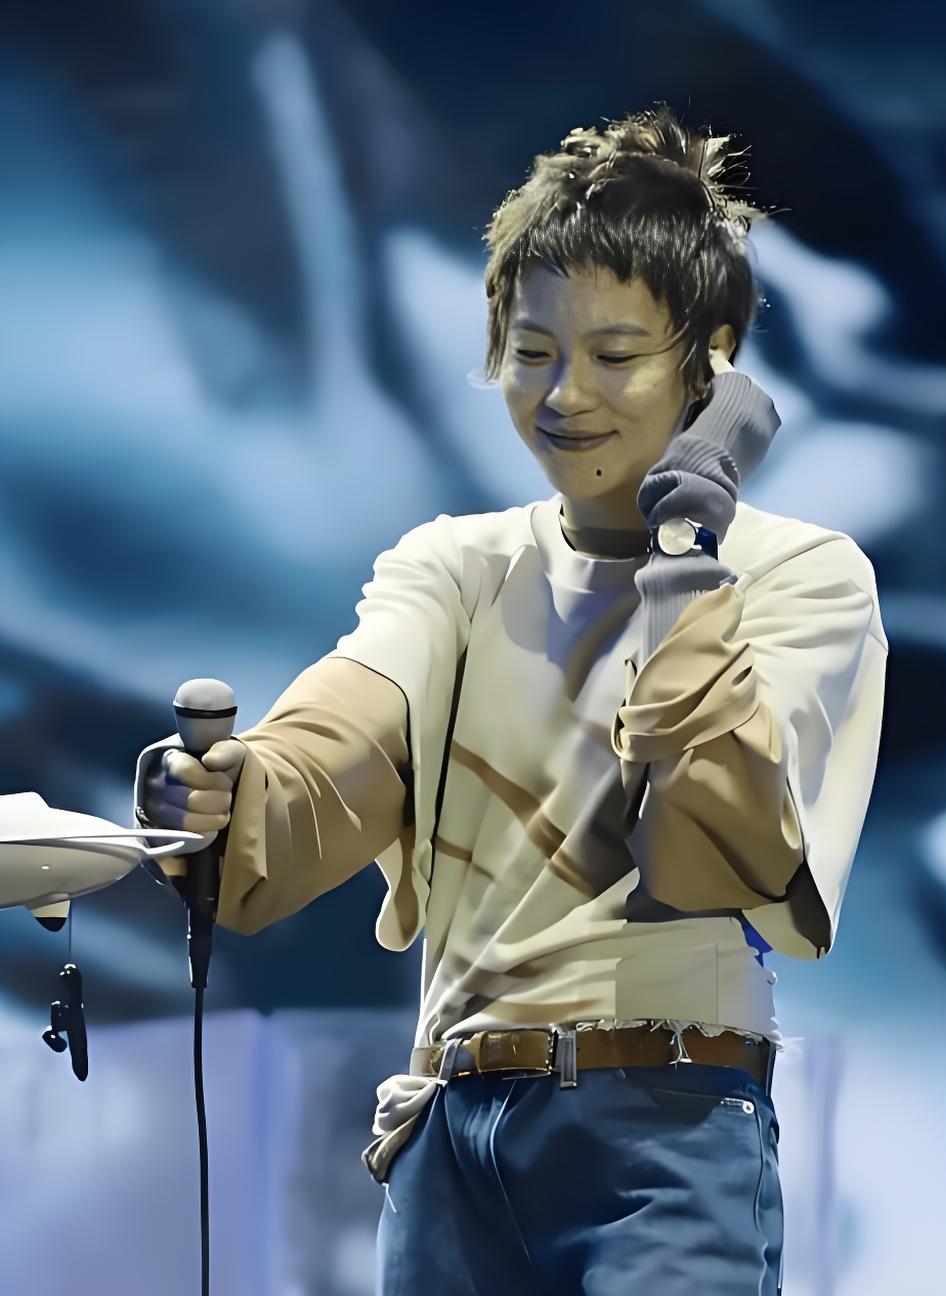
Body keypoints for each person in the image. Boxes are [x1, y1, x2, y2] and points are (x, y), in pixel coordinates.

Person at [135, 104, 887, 1294]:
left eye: (615, 355)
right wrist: (237, 788)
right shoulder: (456, 563)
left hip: (668, 1132)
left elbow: (713, 844)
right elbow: (342, 734)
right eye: (533, 353)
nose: (564, 395)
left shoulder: (801, 573)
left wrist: (687, 546)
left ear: (712, 359)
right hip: (451, 1138)